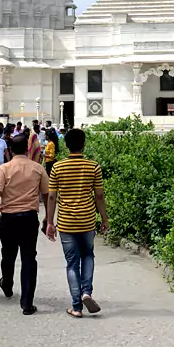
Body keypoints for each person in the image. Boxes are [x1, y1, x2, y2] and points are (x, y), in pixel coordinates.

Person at [0, 134, 50, 315]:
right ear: (27, 150)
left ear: (9, 150)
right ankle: (27, 302)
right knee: (29, 258)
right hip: (29, 218)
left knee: (8, 254)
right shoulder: (38, 168)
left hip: (8, 219)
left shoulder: (4, 168)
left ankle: (7, 283)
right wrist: (49, 218)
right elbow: (47, 194)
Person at [45, 129, 110, 318]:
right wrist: (104, 218)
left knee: (72, 263)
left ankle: (76, 306)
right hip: (88, 220)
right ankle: (87, 292)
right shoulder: (93, 167)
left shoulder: (58, 167)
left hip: (66, 222)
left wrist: (50, 222)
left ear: (66, 145)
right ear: (84, 144)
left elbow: (51, 196)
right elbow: (99, 195)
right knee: (88, 256)